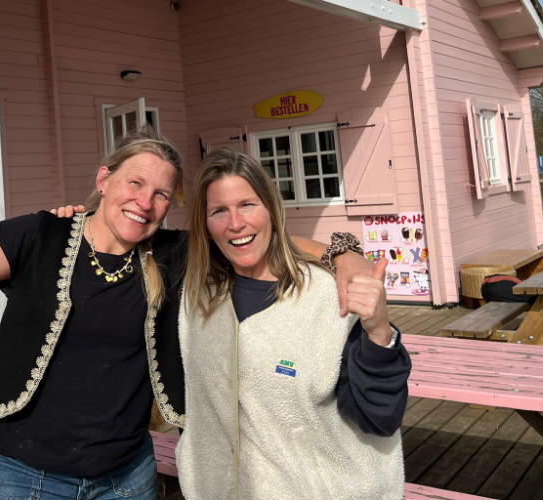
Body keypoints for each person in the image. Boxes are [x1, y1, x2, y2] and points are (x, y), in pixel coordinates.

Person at [0, 125, 370, 499]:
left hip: (125, 478)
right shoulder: (42, 235)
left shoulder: (171, 255)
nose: (145, 203)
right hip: (14, 474)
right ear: (104, 180)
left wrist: (346, 255)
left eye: (162, 195)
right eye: (135, 183)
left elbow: (268, 243)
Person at [175, 148, 410, 499]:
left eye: (248, 205)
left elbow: (380, 417)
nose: (235, 223)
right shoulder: (196, 295)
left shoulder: (328, 296)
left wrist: (378, 331)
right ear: (205, 226)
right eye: (219, 211)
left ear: (272, 209)